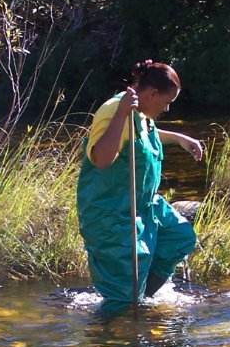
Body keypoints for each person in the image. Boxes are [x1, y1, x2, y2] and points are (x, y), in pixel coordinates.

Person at [77, 60, 203, 313]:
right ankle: (113, 333)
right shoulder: (115, 110)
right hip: (111, 213)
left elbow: (143, 138)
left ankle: (142, 297)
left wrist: (179, 138)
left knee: (179, 237)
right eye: (166, 102)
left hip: (143, 205)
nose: (166, 108)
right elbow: (101, 159)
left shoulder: (142, 113)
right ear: (152, 93)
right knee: (122, 293)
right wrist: (122, 113)